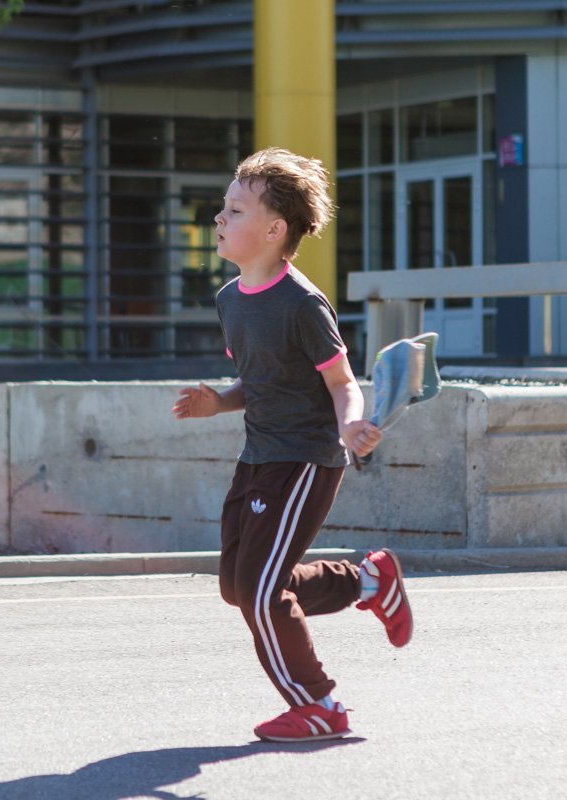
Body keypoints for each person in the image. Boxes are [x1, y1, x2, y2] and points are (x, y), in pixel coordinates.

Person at [172, 147, 412, 743]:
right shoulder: (231, 299)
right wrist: (218, 403)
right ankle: (370, 582)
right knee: (239, 587)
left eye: (235, 210)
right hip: (256, 457)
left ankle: (319, 705)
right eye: (224, 207)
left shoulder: (303, 304)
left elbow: (341, 383)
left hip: (306, 460)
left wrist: (350, 427)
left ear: (275, 230)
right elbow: (259, 382)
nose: (219, 218)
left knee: (259, 594)